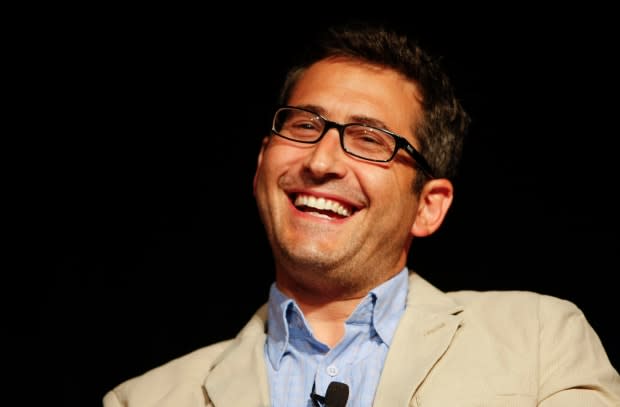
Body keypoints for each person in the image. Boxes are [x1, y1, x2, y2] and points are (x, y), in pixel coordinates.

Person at [103, 21, 620, 406]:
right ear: (262, 164)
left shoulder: (538, 342)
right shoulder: (143, 400)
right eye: (304, 126)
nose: (321, 161)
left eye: (369, 139)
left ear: (428, 205)